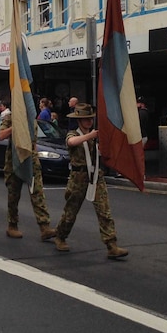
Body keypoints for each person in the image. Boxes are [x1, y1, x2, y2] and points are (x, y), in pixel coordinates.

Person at [53, 103, 129, 259]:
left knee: (104, 211)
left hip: (95, 177)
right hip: (78, 178)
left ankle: (111, 245)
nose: (89, 122)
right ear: (79, 120)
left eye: (90, 119)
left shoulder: (95, 137)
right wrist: (91, 136)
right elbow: (71, 142)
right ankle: (60, 236)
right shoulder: (74, 134)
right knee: (70, 212)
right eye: (85, 119)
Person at [0, 109, 58, 240]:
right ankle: (12, 225)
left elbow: (34, 142)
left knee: (38, 193)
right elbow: (1, 135)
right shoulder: (9, 118)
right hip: (14, 160)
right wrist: (16, 127)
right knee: (14, 195)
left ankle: (44, 227)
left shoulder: (32, 120)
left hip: (31, 160)